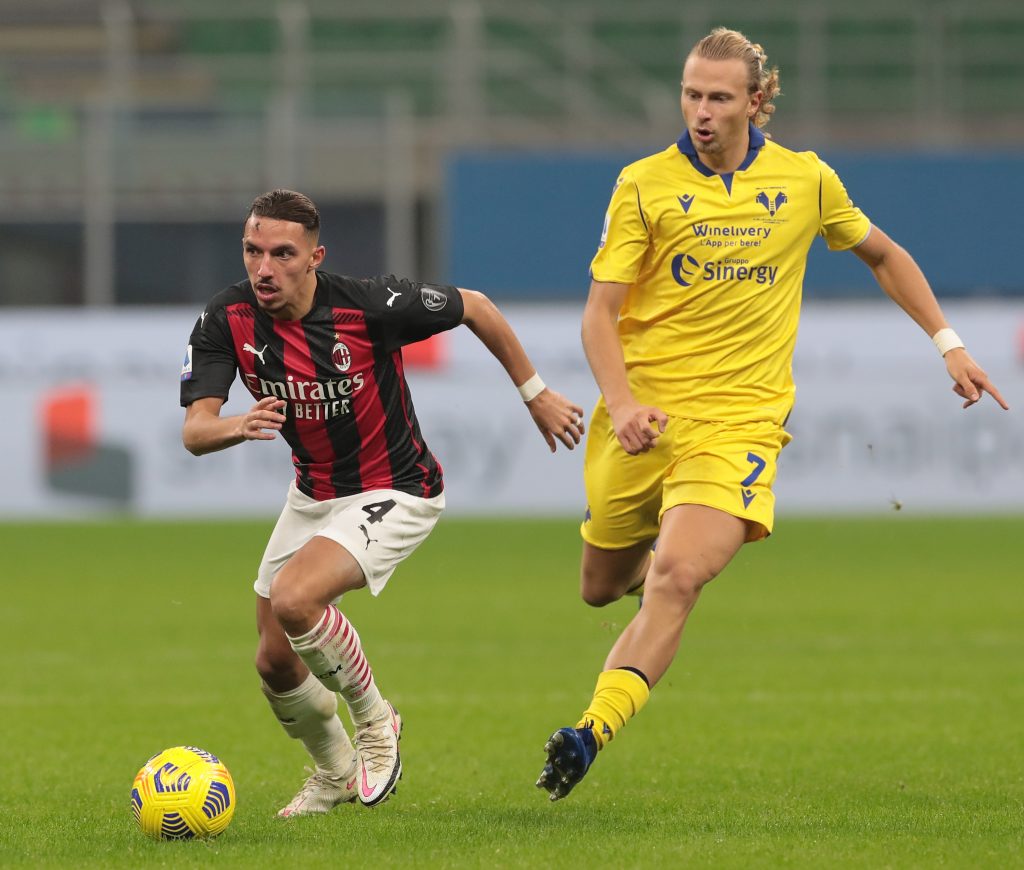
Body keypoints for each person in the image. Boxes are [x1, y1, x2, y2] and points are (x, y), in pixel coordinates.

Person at [535, 27, 1009, 802]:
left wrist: (949, 343)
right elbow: (600, 315)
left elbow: (883, 254)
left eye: (719, 97)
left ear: (757, 102)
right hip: (644, 421)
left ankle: (591, 730)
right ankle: (654, 567)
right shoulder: (644, 185)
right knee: (600, 584)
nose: (701, 111)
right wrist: (621, 405)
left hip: (740, 424)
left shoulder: (805, 180)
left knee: (680, 576)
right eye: (692, 94)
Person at [180, 188, 584, 817]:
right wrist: (238, 423)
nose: (264, 268)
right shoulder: (224, 318)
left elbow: (475, 307)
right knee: (273, 662)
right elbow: (195, 430)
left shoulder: (370, 306)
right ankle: (335, 771)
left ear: (316, 256)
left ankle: (375, 720)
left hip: (398, 487)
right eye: (253, 251)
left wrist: (535, 394)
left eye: (282, 253)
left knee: (295, 598)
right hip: (313, 491)